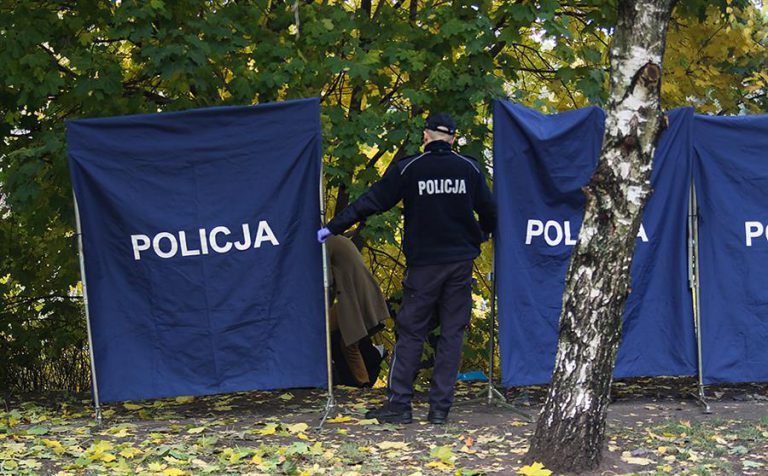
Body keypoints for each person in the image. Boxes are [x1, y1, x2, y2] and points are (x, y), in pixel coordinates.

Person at [317, 113, 496, 424]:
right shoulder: (468, 168)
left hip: (424, 266)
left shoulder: (411, 168)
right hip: (459, 265)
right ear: (452, 138)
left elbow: (373, 201)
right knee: (453, 333)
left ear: (425, 135)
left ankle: (399, 404)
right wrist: (479, 235)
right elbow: (491, 212)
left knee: (411, 331)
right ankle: (440, 409)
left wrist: (332, 226)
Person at [325, 235, 389, 387]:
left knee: (349, 344)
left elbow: (326, 279)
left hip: (353, 297)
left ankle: (363, 384)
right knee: (327, 330)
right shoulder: (339, 239)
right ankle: (362, 381)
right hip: (360, 293)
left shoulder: (325, 243)